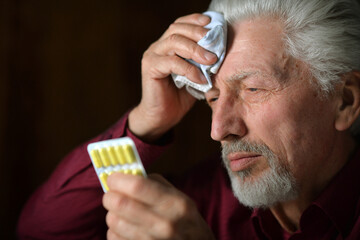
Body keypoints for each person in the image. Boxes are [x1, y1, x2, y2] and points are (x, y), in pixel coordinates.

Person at [18, 0, 360, 239]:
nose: (219, 130)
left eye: (253, 89)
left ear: (345, 101)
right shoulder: (204, 197)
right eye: (212, 98)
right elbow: (41, 231)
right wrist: (148, 121)